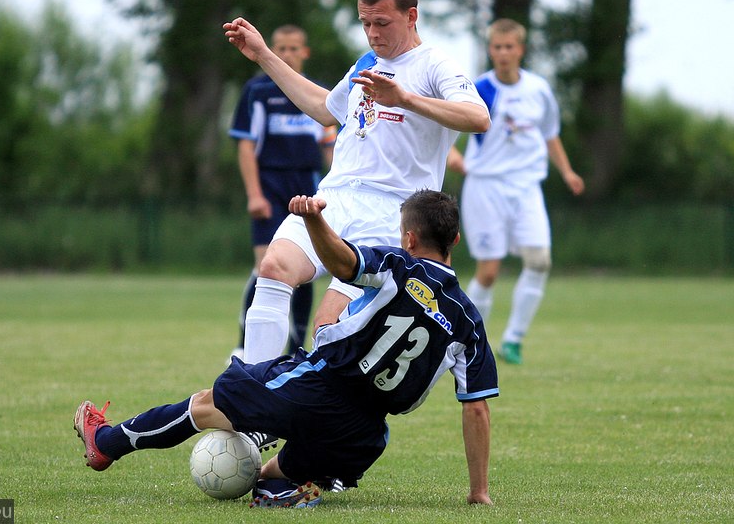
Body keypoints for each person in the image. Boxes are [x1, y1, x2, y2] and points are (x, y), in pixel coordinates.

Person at [74, 189, 498, 508]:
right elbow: (476, 407)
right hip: (366, 436)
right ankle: (285, 485)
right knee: (274, 473)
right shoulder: (469, 320)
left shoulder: (399, 265)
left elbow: (342, 262)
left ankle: (105, 444)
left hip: (318, 386)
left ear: (407, 238)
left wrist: (314, 220)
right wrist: (478, 491)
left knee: (206, 403)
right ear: (455, 240)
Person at [222, 0, 491, 367]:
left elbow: (478, 117)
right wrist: (264, 54)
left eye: (382, 23)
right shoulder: (367, 62)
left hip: (390, 213)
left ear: (411, 15)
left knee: (327, 325)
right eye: (365, 23)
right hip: (333, 199)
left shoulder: (435, 66)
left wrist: (405, 99)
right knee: (274, 267)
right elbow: (323, 109)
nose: (372, 33)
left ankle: (314, 418)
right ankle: (252, 405)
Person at [446, 18, 585, 365]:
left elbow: (550, 134)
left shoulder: (538, 89)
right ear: (490, 49)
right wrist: (454, 156)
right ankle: (470, 342)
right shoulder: (480, 89)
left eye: (510, 47)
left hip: (527, 187)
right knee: (489, 271)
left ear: (521, 49)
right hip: (486, 186)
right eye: (497, 47)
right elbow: (445, 127)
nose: (503, 53)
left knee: (539, 261)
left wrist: (566, 171)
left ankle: (514, 340)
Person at [229, 24, 336, 359]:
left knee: (304, 269)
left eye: (293, 48)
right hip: (271, 186)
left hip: (307, 187)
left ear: (305, 52)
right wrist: (254, 194)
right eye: (280, 48)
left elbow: (330, 147)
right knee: (266, 267)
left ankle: (296, 346)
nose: (287, 54)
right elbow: (246, 147)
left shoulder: (318, 94)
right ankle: (245, 346)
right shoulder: (258, 91)